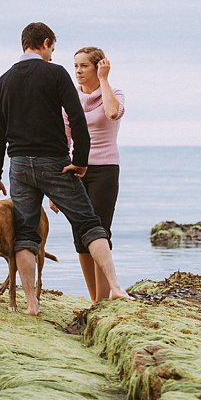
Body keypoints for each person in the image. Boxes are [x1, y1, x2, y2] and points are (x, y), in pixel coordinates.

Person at [0, 22, 131, 314]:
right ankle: (115, 288)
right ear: (46, 42)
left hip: (19, 167)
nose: (52, 54)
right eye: (52, 48)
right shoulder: (55, 74)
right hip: (54, 161)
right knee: (90, 223)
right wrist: (79, 160)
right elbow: (76, 118)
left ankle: (31, 304)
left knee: (26, 234)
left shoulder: (3, 80)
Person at [64, 46, 125, 303]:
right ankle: (94, 300)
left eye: (84, 66)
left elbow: (113, 113)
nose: (78, 71)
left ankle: (103, 300)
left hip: (105, 170)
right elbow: (64, 140)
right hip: (76, 170)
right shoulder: (69, 99)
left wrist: (104, 79)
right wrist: (58, 185)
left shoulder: (114, 93)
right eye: (76, 66)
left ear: (98, 66)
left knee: (99, 232)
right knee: (80, 239)